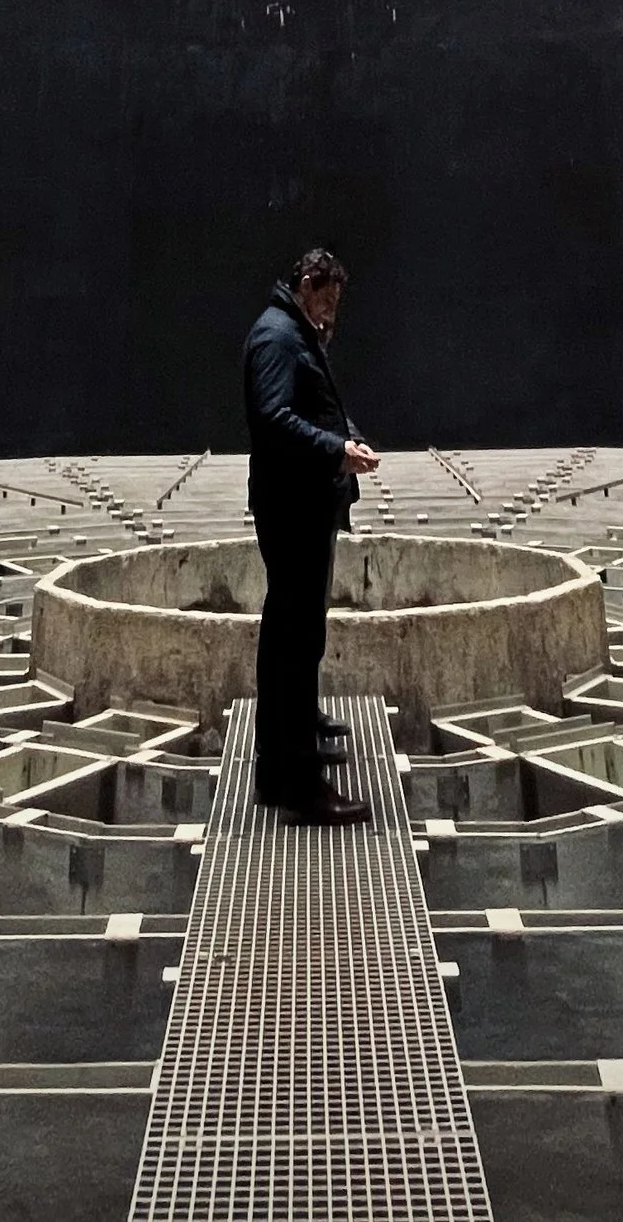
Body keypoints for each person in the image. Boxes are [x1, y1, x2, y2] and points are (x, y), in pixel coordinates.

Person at [242, 248, 381, 822]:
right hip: (292, 505)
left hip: (301, 503)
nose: (332, 311)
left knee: (293, 642)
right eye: (327, 299)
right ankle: (302, 788)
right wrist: (336, 450)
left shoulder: (295, 331)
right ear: (307, 285)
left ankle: (282, 767)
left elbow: (315, 406)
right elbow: (273, 418)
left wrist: (344, 436)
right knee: (292, 646)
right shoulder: (278, 337)